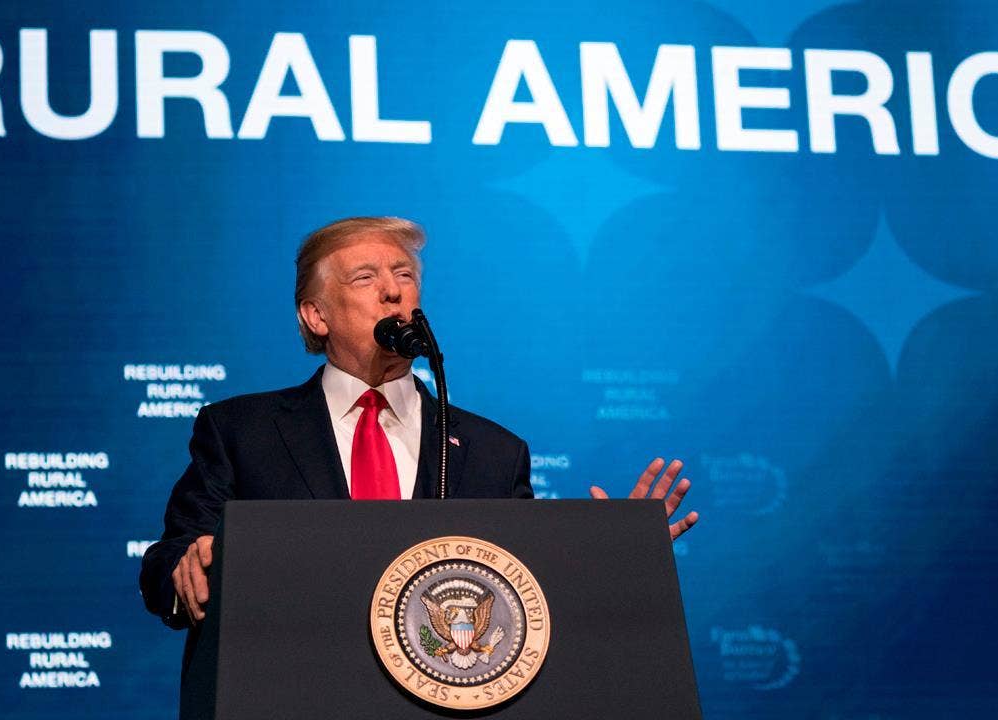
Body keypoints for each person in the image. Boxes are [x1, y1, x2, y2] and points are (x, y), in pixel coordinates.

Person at [139, 216, 698, 629]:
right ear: (316, 315)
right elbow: (166, 564)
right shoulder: (241, 431)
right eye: (365, 278)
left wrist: (611, 557)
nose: (393, 290)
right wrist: (188, 571)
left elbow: (522, 595)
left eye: (404, 274)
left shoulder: (493, 452)